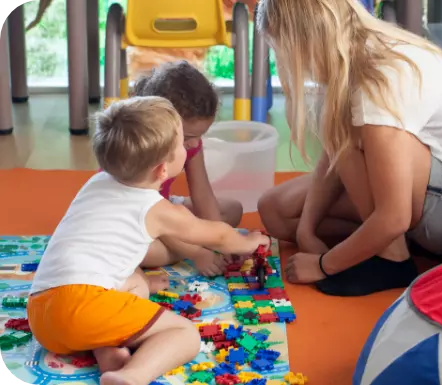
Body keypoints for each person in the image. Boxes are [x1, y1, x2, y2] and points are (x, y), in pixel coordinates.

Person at [256, 0, 442, 296]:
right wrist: (306, 229)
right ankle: (391, 242)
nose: (281, 60)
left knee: (350, 139)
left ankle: (392, 258)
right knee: (275, 211)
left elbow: (394, 214)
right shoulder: (349, 56)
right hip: (427, 201)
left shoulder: (379, 76)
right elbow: (334, 154)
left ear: (301, 40)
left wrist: (325, 264)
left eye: (278, 49)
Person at [27, 97, 270, 385]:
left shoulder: (95, 184)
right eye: (181, 144)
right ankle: (131, 376)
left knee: (133, 278)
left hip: (42, 316)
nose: (188, 148)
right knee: (184, 334)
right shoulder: (155, 209)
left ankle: (105, 349)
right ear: (162, 171)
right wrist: (248, 241)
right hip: (83, 308)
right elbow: (217, 234)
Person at [133, 61, 244, 277]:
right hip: (136, 217)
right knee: (146, 252)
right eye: (189, 137)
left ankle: (187, 242)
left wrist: (222, 241)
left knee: (232, 210)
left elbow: (202, 193)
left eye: (200, 135)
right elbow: (154, 217)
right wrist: (197, 252)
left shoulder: (191, 144)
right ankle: (184, 247)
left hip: (163, 206)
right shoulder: (141, 147)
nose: (195, 143)